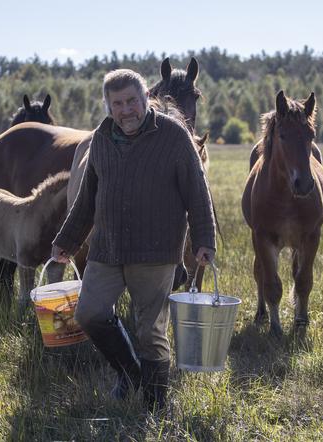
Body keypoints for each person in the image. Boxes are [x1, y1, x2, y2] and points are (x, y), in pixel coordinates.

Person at [51, 69, 216, 410]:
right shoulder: (102, 137)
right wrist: (67, 239)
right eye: (118, 104)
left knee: (151, 331)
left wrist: (204, 239)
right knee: (89, 313)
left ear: (145, 99)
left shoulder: (173, 136)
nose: (126, 110)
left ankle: (155, 403)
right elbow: (87, 197)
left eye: (132, 101)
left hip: (155, 252)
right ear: (108, 107)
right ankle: (130, 375)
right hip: (107, 248)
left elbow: (197, 192)